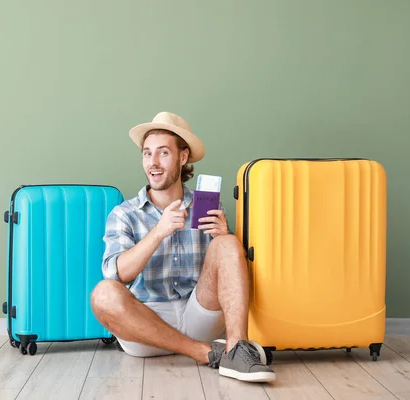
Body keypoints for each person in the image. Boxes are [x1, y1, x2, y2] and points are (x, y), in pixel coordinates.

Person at [90, 111, 276, 383]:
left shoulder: (208, 207)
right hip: (147, 327)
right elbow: (117, 275)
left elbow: (231, 279)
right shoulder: (125, 214)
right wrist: (159, 231)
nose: (153, 163)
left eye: (163, 153)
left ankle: (236, 349)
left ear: (183, 157)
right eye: (147, 153)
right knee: (103, 293)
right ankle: (203, 353)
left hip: (198, 313)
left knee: (228, 243)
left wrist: (223, 238)